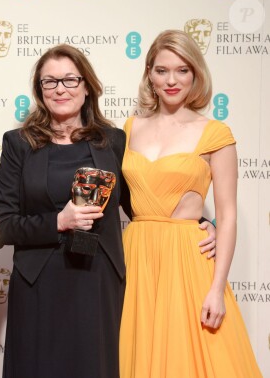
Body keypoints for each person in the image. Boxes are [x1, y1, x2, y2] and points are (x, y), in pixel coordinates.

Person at [0, 44, 216, 378]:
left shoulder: (112, 140)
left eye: (70, 79)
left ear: (87, 86)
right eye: (49, 82)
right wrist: (58, 221)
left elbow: (141, 201)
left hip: (97, 280)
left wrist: (197, 222)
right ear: (40, 91)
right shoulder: (19, 143)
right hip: (39, 281)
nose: (60, 89)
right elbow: (4, 225)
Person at [119, 29, 262, 377]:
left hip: (187, 260)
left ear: (196, 75)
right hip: (136, 256)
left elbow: (227, 216)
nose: (172, 80)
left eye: (183, 70)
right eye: (162, 70)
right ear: (149, 74)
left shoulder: (216, 133)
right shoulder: (129, 127)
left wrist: (216, 288)